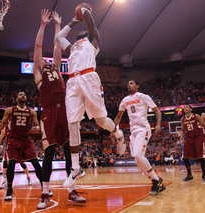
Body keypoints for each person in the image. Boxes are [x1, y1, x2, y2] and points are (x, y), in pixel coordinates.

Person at [55, 3, 124, 188]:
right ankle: (76, 168)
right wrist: (72, 21)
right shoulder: (72, 48)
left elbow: (92, 27)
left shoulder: (91, 41)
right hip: (72, 82)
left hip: (88, 77)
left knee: (101, 122)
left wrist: (85, 12)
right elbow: (58, 37)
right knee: (72, 123)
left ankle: (118, 133)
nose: (78, 34)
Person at [33, 9, 84, 209]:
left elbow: (57, 43)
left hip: (65, 110)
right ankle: (45, 193)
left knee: (69, 153)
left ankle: (72, 191)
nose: (45, 59)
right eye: (42, 59)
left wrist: (56, 25)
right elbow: (38, 45)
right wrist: (43, 25)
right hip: (49, 113)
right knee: (48, 154)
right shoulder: (38, 72)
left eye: (47, 59)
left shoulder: (55, 68)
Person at [111, 79, 166, 195]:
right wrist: (113, 130)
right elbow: (118, 116)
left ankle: (156, 179)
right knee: (137, 160)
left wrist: (158, 124)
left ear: (137, 86)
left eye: (131, 83)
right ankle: (155, 180)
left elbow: (157, 111)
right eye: (128, 83)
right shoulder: (125, 100)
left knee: (137, 154)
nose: (129, 85)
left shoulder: (143, 96)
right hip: (133, 132)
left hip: (143, 129)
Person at [0, 92, 44, 201]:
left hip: (26, 140)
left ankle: (44, 188)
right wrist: (1, 126)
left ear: (26, 98)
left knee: (36, 162)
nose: (22, 95)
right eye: (20, 94)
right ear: (16, 99)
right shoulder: (10, 110)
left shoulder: (32, 112)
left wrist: (37, 128)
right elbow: (3, 121)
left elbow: (36, 125)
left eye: (24, 94)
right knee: (11, 163)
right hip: (13, 140)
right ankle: (9, 190)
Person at [0, 121, 32, 189]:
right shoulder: (5, 129)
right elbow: (0, 138)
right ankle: (4, 181)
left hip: (18, 147)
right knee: (5, 163)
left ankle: (28, 177)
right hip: (9, 148)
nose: (10, 121)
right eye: (10, 120)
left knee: (22, 164)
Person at [180, 105, 205, 182]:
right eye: (184, 108)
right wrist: (181, 139)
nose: (185, 108)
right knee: (184, 157)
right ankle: (189, 175)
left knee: (201, 157)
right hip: (189, 138)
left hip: (198, 137)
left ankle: (204, 175)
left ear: (191, 109)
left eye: (187, 107)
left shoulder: (196, 116)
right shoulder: (182, 119)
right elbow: (183, 130)